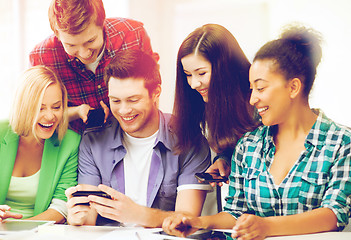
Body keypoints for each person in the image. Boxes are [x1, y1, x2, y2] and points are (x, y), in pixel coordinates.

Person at [162, 25, 351, 239]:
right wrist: (197, 222)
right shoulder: (248, 146)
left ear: (293, 87)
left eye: (260, 88)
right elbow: (235, 213)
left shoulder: (341, 143)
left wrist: (267, 226)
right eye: (251, 89)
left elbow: (334, 214)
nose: (252, 99)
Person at [65, 49, 212, 227]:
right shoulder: (93, 141)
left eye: (133, 100)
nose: (124, 110)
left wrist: (137, 214)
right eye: (116, 101)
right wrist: (78, 218)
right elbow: (88, 218)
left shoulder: (190, 140)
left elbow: (187, 222)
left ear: (156, 93)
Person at [29, 0, 158, 134]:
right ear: (57, 34)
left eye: (90, 41)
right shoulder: (42, 57)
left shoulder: (134, 35)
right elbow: (35, 112)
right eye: (71, 45)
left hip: (133, 135)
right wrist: (77, 111)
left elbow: (152, 89)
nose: (85, 54)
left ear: (102, 23)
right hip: (76, 141)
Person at [171, 24, 258, 185]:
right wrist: (224, 160)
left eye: (201, 73)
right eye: (188, 75)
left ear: (225, 67)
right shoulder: (209, 101)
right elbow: (233, 148)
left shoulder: (259, 102)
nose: (194, 84)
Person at [0, 66, 81, 223]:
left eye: (56, 107)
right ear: (23, 107)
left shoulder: (70, 142)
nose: (50, 116)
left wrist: (20, 229)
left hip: (41, 233)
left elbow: (61, 206)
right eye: (40, 108)